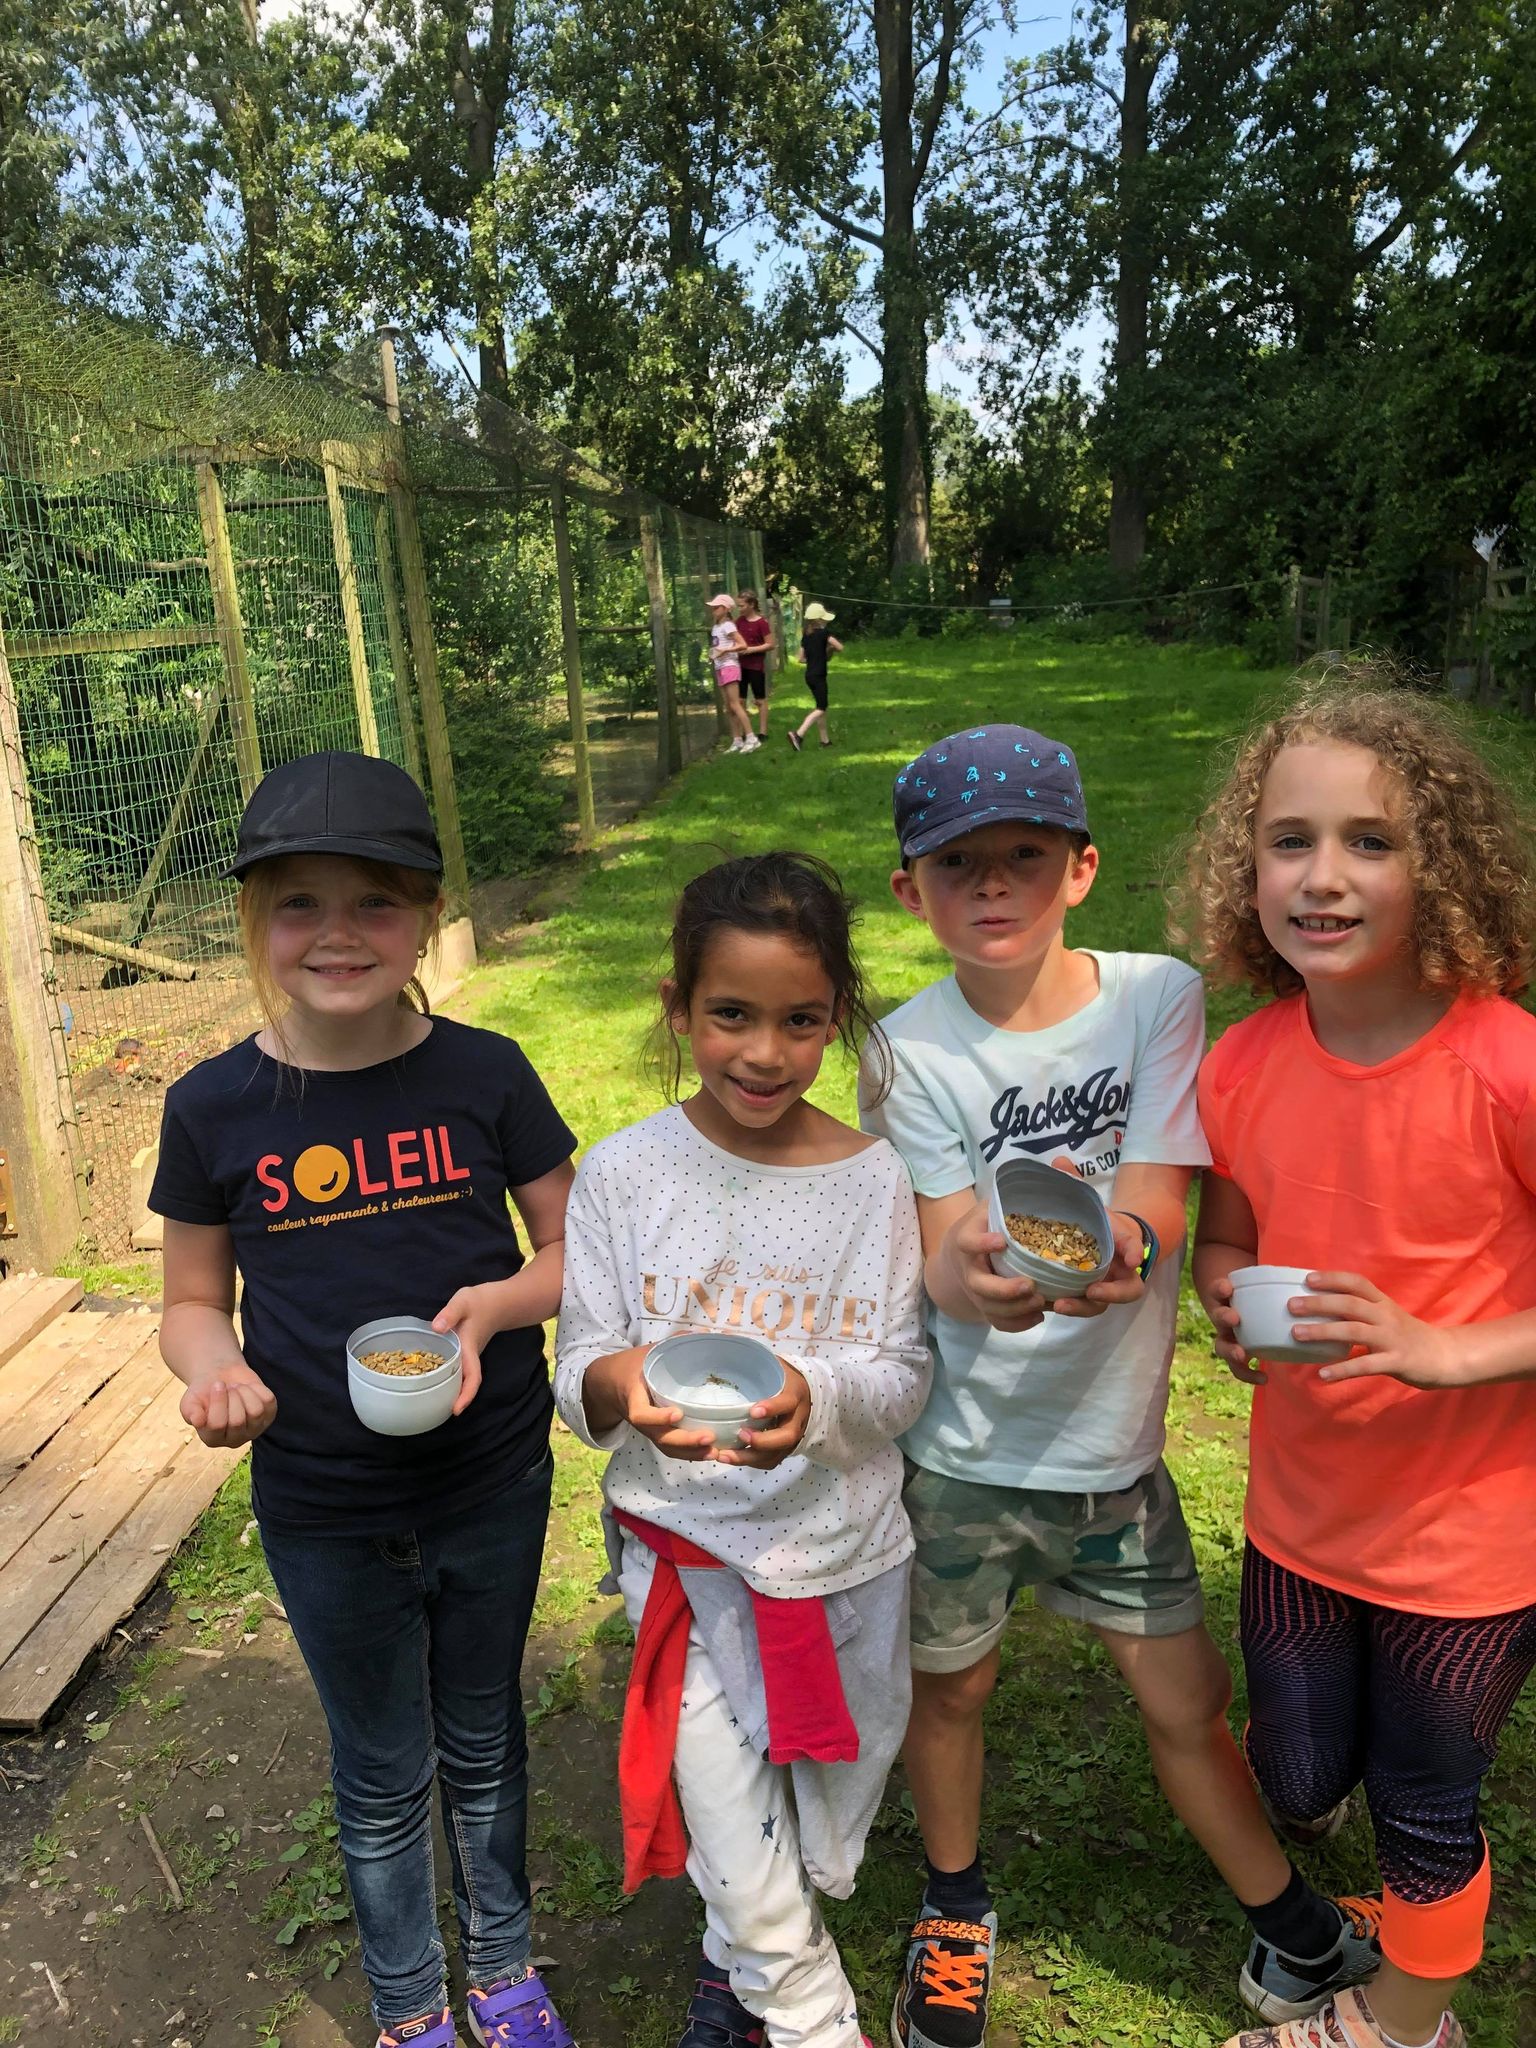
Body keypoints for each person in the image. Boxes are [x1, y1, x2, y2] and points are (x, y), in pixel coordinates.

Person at [861, 725, 1380, 2048]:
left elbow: (1154, 1193)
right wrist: (980, 1281)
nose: (993, 885)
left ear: (1081, 868)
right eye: (957, 863)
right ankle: (954, 1907)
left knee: (1188, 1703)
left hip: (1111, 1457)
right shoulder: (906, 1050)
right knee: (950, 1691)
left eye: (1024, 856)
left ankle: (1289, 1921)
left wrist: (1127, 1250)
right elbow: (939, 1247)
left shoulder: (1157, 997)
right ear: (910, 890)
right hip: (964, 1456)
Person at [149, 751, 579, 2048]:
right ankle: (409, 2007)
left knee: (487, 1737)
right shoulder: (210, 1106)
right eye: (300, 902)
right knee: (384, 1767)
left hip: (490, 1476)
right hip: (324, 1503)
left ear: (429, 914)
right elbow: (188, 1301)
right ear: (255, 920)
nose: (338, 933)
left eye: (375, 900)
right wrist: (213, 1370)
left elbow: (578, 1251)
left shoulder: (487, 1073)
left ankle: (502, 1970)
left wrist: (496, 1306)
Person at [1184, 677, 1536, 2048]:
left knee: (1423, 1801)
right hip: (1302, 1511)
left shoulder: (1507, 1065)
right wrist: (1225, 1296)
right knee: (1295, 1769)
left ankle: (1398, 2025)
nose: (1322, 876)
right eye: (1291, 840)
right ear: (1247, 866)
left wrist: (1446, 1349)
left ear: (1442, 868)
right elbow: (1228, 1234)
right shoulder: (1242, 1065)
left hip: (1471, 1536)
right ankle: (1350, 1832)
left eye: (1370, 842)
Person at [554, 852, 931, 2048]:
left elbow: (902, 1373)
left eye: (800, 1020)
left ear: (837, 1017)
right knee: (733, 1816)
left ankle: (734, 1961)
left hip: (846, 1556)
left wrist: (814, 1402)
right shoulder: (622, 1173)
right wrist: (620, 1383)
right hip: (687, 1556)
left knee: (819, 1818)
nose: (765, 1052)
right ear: (678, 1006)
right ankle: (809, 2013)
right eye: (731, 1014)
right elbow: (581, 1359)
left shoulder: (873, 1181)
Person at [788, 603, 841, 752]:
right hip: (819, 676)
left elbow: (800, 659)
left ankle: (825, 740)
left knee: (820, 706)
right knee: (821, 708)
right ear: (819, 620)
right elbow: (839, 647)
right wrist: (828, 650)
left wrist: (815, 658)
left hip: (809, 675)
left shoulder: (806, 635)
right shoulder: (824, 634)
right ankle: (798, 734)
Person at [709, 592, 757, 754]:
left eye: (717, 607)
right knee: (729, 707)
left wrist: (725, 650)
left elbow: (742, 645)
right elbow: (717, 646)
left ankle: (751, 738)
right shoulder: (716, 627)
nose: (714, 610)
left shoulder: (728, 625)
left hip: (730, 666)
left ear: (726, 609)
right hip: (719, 667)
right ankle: (736, 740)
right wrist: (713, 654)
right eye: (713, 607)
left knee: (735, 704)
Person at [736, 588, 776, 741]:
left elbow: (770, 644)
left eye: (742, 606)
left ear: (751, 605)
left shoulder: (761, 623)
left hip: (755, 666)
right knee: (740, 700)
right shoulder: (739, 622)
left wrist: (751, 649)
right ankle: (744, 732)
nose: (739, 609)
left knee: (760, 699)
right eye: (738, 606)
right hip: (740, 665)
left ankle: (763, 732)